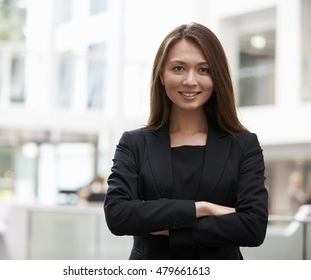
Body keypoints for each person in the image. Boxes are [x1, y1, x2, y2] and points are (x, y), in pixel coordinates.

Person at [104, 22, 268, 260]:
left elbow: (253, 227)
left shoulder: (244, 145)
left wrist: (168, 228)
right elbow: (118, 215)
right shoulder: (134, 143)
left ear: (217, 76)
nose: (190, 80)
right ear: (161, 75)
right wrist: (202, 208)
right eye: (179, 68)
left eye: (204, 70)